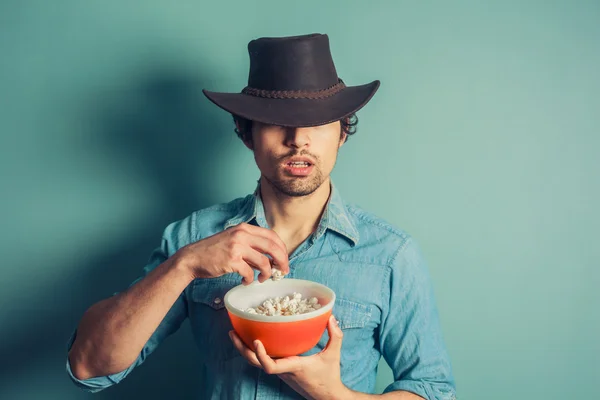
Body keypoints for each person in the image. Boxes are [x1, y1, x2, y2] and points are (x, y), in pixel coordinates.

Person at [66, 33, 456, 400]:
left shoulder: (390, 255)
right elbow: (89, 366)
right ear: (246, 132)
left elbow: (433, 389)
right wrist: (183, 265)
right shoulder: (194, 236)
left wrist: (333, 394)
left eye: (318, 123)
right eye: (276, 121)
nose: (298, 139)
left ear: (341, 133)